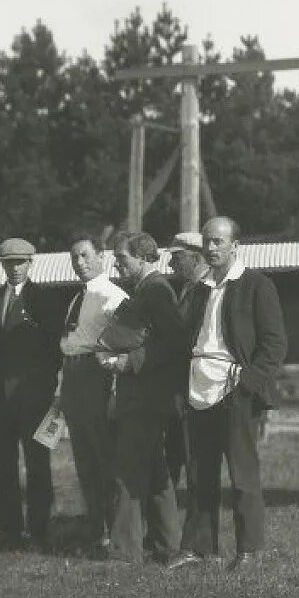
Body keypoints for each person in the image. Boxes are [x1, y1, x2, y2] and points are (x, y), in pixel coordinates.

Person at [169, 216, 287, 573]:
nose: (211, 248)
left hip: (235, 390)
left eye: (219, 242)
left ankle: (249, 551)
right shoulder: (199, 289)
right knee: (200, 473)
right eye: (207, 241)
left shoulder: (256, 285)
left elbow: (275, 344)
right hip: (197, 389)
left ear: (235, 246)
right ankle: (199, 548)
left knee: (242, 474)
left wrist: (247, 384)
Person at [98, 232, 185, 564]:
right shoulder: (147, 290)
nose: (117, 264)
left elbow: (175, 342)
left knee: (128, 471)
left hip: (147, 397)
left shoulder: (156, 291)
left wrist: (128, 361)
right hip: (147, 396)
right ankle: (169, 546)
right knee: (157, 473)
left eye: (122, 258)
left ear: (145, 257)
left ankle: (125, 551)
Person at [0, 237, 62, 550]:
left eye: (21, 262)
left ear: (31, 264)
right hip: (0, 398)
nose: (15, 268)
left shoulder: (45, 300)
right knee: (4, 464)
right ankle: (9, 529)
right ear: (2, 265)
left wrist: (45, 385)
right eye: (9, 263)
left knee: (37, 463)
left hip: (35, 398)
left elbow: (56, 348)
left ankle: (40, 530)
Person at [56, 231, 127, 554]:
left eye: (85, 255)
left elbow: (123, 344)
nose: (79, 262)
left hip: (97, 378)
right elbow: (70, 344)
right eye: (74, 257)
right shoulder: (77, 298)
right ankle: (95, 528)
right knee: (84, 459)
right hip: (73, 378)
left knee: (104, 458)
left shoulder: (112, 296)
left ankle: (115, 532)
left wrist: (113, 388)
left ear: (102, 257)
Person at [162, 231, 207, 487]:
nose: (171, 265)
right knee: (177, 453)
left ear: (196, 258)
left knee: (194, 457)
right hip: (179, 387)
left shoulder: (206, 292)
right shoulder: (186, 289)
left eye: (177, 258)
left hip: (195, 388)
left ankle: (197, 519)